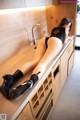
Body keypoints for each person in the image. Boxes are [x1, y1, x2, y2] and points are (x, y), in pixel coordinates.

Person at [0, 17, 73, 99]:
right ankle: (29, 83)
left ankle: (10, 79)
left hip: (45, 40)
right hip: (56, 42)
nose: (69, 28)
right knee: (43, 63)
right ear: (66, 24)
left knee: (34, 61)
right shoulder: (65, 29)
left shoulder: (55, 28)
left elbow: (51, 40)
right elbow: (63, 41)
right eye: (69, 26)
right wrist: (69, 38)